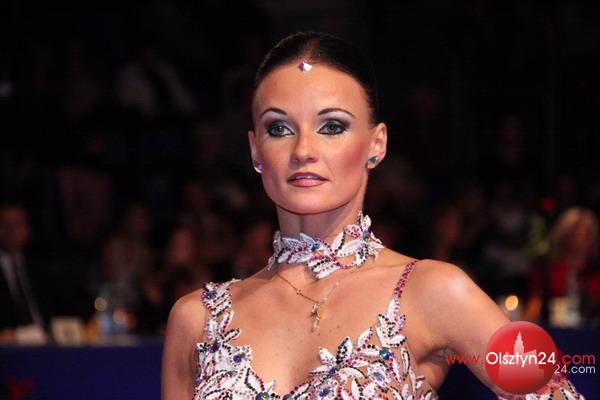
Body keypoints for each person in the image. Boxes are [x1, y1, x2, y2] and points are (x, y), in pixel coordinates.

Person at [162, 32, 584, 399]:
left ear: (376, 144)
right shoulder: (196, 320)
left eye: (332, 126)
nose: (303, 150)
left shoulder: (433, 292)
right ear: (256, 149)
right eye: (279, 128)